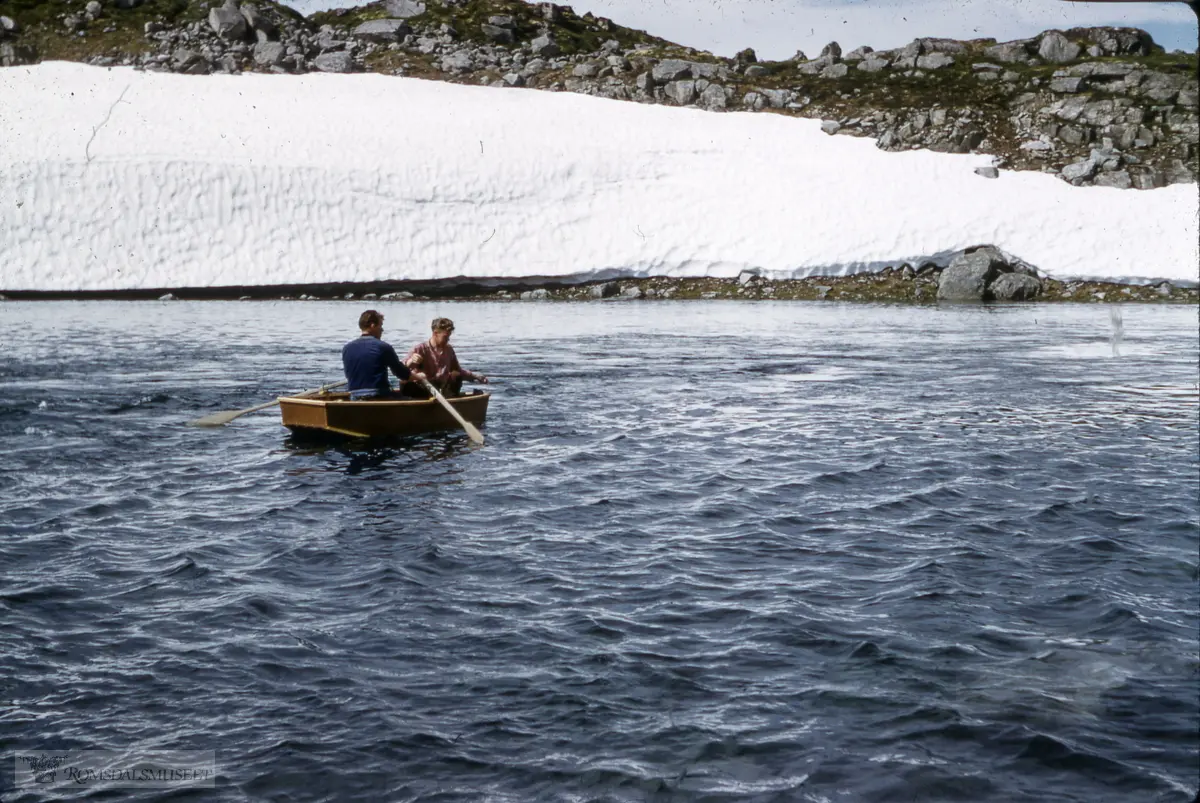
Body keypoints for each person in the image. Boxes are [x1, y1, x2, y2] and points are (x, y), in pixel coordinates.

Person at [342, 310, 426, 400]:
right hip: (379, 396)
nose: (382, 329)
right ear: (372, 325)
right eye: (380, 326)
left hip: (355, 397)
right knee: (415, 399)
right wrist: (420, 377)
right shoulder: (383, 347)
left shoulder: (346, 348)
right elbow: (401, 373)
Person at [402, 317, 488, 397]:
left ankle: (450, 399)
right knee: (410, 386)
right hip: (422, 390)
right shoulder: (420, 349)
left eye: (449, 336)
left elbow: (458, 370)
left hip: (441, 390)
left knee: (456, 375)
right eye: (445, 337)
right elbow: (400, 370)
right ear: (435, 333)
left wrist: (475, 376)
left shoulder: (449, 350)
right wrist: (411, 361)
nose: (448, 340)